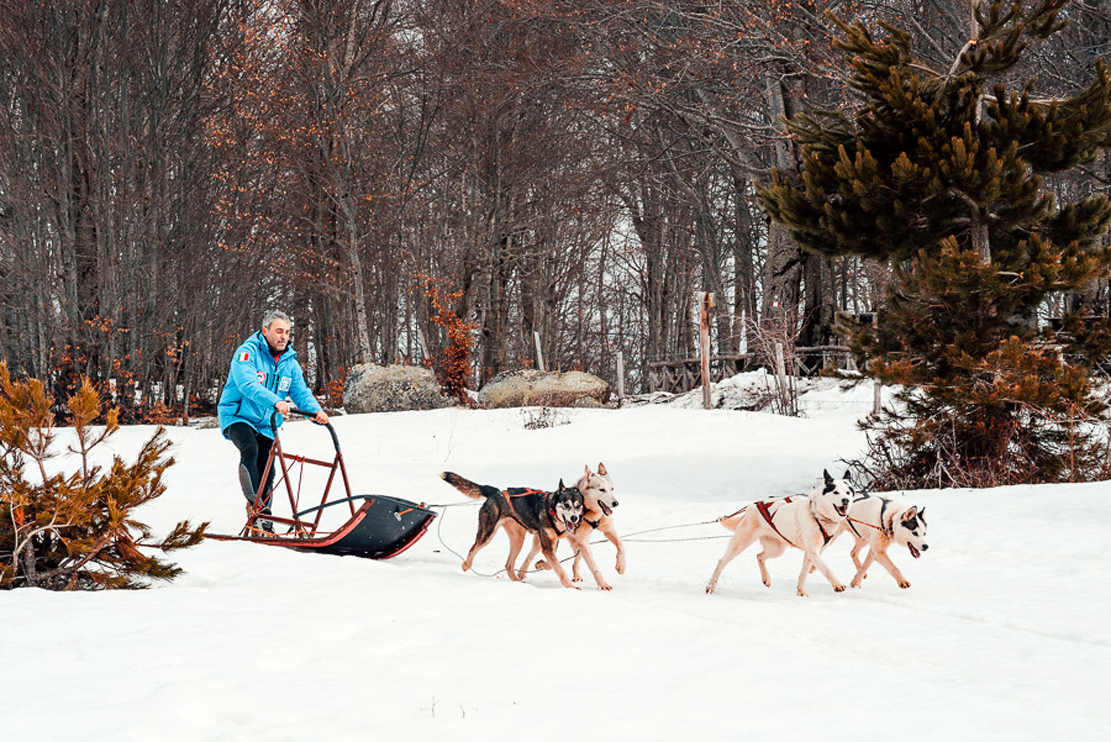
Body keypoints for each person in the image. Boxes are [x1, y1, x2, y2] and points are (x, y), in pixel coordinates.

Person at [218, 310, 328, 530]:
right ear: (265, 331)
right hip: (238, 415)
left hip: (267, 422)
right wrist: (275, 401)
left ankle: (264, 522)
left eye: (287, 332)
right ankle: (258, 509)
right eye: (279, 331)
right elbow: (247, 385)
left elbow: (301, 393)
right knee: (250, 448)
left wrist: (317, 412)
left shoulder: (290, 363)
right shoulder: (246, 354)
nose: (283, 337)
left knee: (268, 466)